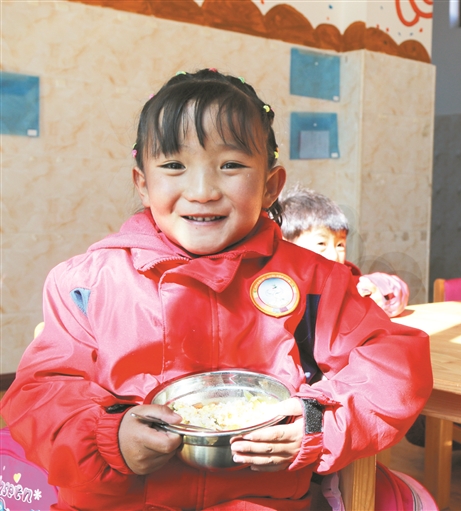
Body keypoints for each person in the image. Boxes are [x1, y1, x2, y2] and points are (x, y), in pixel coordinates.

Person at [0, 69, 432, 511]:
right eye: (174, 166)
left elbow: (395, 366)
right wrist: (109, 437)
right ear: (143, 184)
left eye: (230, 165)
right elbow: (38, 395)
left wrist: (316, 422)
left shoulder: (316, 282)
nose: (202, 191)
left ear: (270, 186)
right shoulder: (86, 283)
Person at [278, 185, 410, 318]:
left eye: (340, 245)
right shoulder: (277, 287)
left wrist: (378, 291)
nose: (334, 255)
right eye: (321, 243)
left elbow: (396, 287)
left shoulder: (344, 280)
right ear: (287, 244)